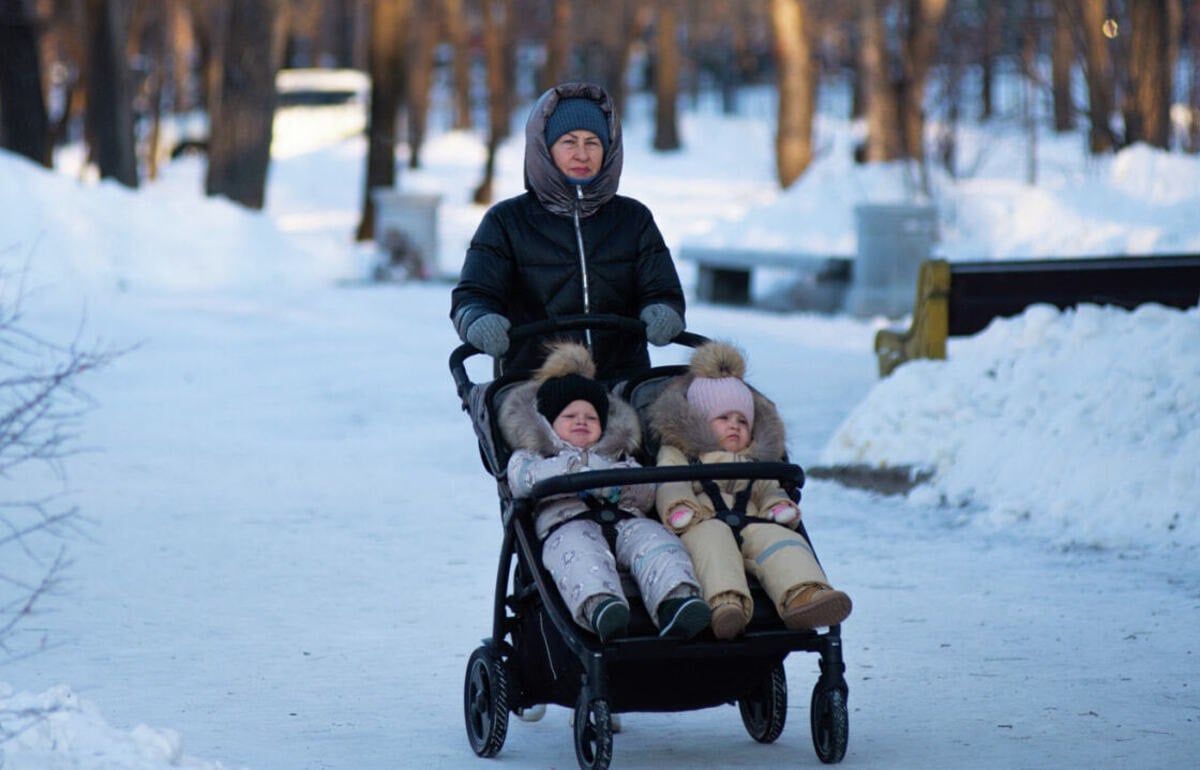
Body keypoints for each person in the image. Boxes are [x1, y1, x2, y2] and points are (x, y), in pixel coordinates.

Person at [450, 81, 686, 381]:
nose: (582, 155)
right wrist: (479, 320)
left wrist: (663, 311)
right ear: (545, 149)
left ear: (608, 149)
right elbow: (472, 295)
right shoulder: (507, 221)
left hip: (622, 383)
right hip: (535, 385)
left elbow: (662, 290)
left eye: (592, 142)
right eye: (569, 142)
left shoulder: (633, 219)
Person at [498, 341, 710, 642]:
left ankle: (676, 600)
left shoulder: (619, 457)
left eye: (591, 418)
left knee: (659, 543)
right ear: (548, 423)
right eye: (570, 417)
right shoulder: (534, 456)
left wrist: (617, 477)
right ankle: (601, 606)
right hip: (567, 525)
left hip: (626, 521)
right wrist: (580, 473)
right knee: (579, 556)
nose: (582, 422)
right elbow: (524, 480)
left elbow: (646, 493)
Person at [647, 341, 852, 640]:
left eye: (742, 420)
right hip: (702, 521)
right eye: (723, 419)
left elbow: (768, 488)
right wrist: (679, 507)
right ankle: (726, 605)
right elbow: (670, 481)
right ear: (699, 421)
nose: (734, 426)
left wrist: (776, 506)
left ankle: (805, 595)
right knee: (713, 546)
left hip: (754, 521)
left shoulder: (754, 459)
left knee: (783, 542)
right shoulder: (681, 452)